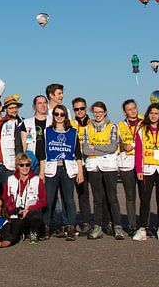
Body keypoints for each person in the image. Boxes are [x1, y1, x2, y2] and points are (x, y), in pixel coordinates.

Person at [132, 103, 159, 241]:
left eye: (156, 113)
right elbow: (138, 151)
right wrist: (139, 169)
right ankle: (142, 229)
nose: (153, 116)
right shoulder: (142, 129)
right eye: (151, 113)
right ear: (147, 114)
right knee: (145, 200)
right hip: (147, 168)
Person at [83, 101, 124, 240]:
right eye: (95, 112)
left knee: (112, 198)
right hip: (94, 166)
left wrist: (94, 148)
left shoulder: (112, 126)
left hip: (109, 166)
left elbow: (112, 147)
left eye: (100, 112)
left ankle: (118, 227)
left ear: (105, 112)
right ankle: (98, 227)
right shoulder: (87, 128)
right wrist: (98, 149)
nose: (98, 114)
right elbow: (85, 149)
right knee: (97, 199)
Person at [43, 104, 81, 240]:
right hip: (51, 168)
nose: (59, 117)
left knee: (69, 199)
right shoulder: (47, 131)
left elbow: (78, 153)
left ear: (66, 116)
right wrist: (41, 173)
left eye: (62, 114)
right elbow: (42, 153)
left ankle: (71, 227)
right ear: (53, 116)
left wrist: (80, 172)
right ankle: (45, 227)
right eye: (56, 114)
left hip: (67, 168)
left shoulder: (73, 132)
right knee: (49, 199)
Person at [3, 153, 47, 244]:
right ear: (17, 166)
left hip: (31, 212)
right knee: (13, 238)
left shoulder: (37, 180)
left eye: (27, 165)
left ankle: (33, 232)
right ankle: (22, 232)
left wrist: (29, 209)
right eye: (21, 165)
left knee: (36, 216)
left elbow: (43, 201)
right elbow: (5, 198)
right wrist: (12, 210)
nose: (25, 167)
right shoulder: (10, 180)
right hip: (15, 213)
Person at [117, 99, 141, 234]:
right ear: (124, 112)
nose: (133, 111)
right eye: (129, 109)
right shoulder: (120, 125)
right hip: (126, 163)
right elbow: (116, 143)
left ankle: (144, 225)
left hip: (143, 162)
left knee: (145, 196)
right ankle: (132, 225)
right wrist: (122, 145)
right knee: (130, 196)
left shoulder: (144, 123)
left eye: (134, 108)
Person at [71, 96, 94, 235]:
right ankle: (86, 222)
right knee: (82, 194)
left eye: (82, 108)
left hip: (94, 160)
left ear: (86, 108)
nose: (79, 111)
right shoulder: (71, 123)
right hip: (78, 163)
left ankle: (102, 221)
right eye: (76, 109)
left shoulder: (93, 122)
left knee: (100, 194)